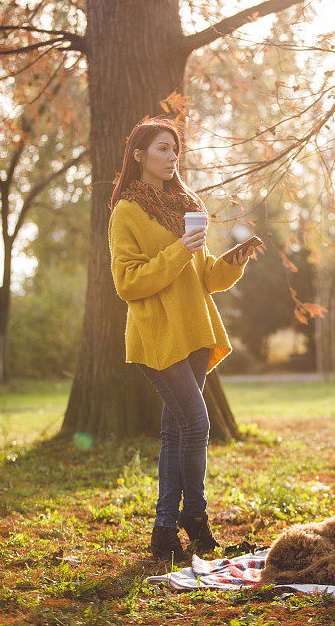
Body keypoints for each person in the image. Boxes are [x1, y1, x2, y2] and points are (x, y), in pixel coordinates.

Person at [107, 116, 257, 565]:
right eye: (161, 149)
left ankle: (162, 532)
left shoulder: (187, 204)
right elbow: (127, 283)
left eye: (175, 149)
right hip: (157, 336)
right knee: (196, 424)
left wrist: (234, 259)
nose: (172, 157)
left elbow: (204, 276)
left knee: (175, 434)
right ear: (138, 155)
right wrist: (180, 249)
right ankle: (196, 518)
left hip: (193, 330)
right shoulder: (127, 212)